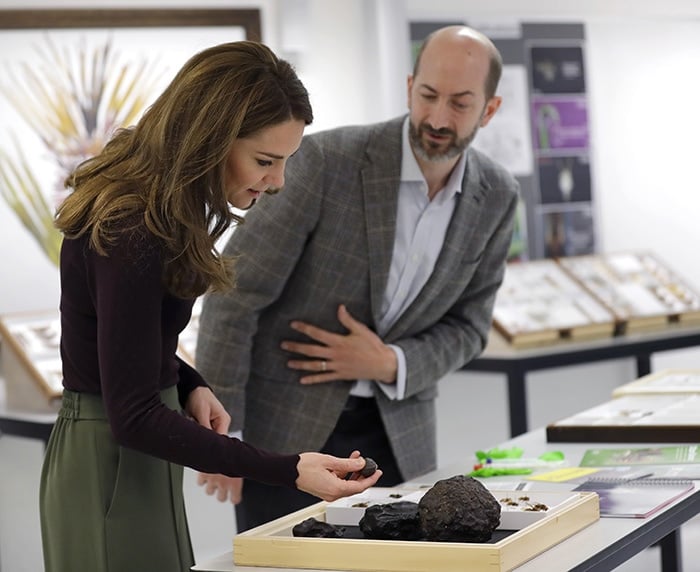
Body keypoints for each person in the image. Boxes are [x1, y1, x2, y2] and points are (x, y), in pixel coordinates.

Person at [39, 41, 382, 572]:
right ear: (210, 139)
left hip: (132, 452)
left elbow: (126, 341)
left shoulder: (155, 211)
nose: (277, 182)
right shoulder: (130, 225)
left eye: (285, 162)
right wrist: (290, 469)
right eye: (265, 161)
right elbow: (129, 413)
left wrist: (187, 382)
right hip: (106, 456)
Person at [195, 25, 519, 531]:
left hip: (399, 438)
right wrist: (225, 440)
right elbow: (235, 296)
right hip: (284, 433)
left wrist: (392, 361)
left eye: (460, 104)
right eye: (428, 95)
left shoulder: (497, 195)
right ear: (411, 86)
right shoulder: (324, 161)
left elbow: (470, 327)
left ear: (490, 109)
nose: (437, 117)